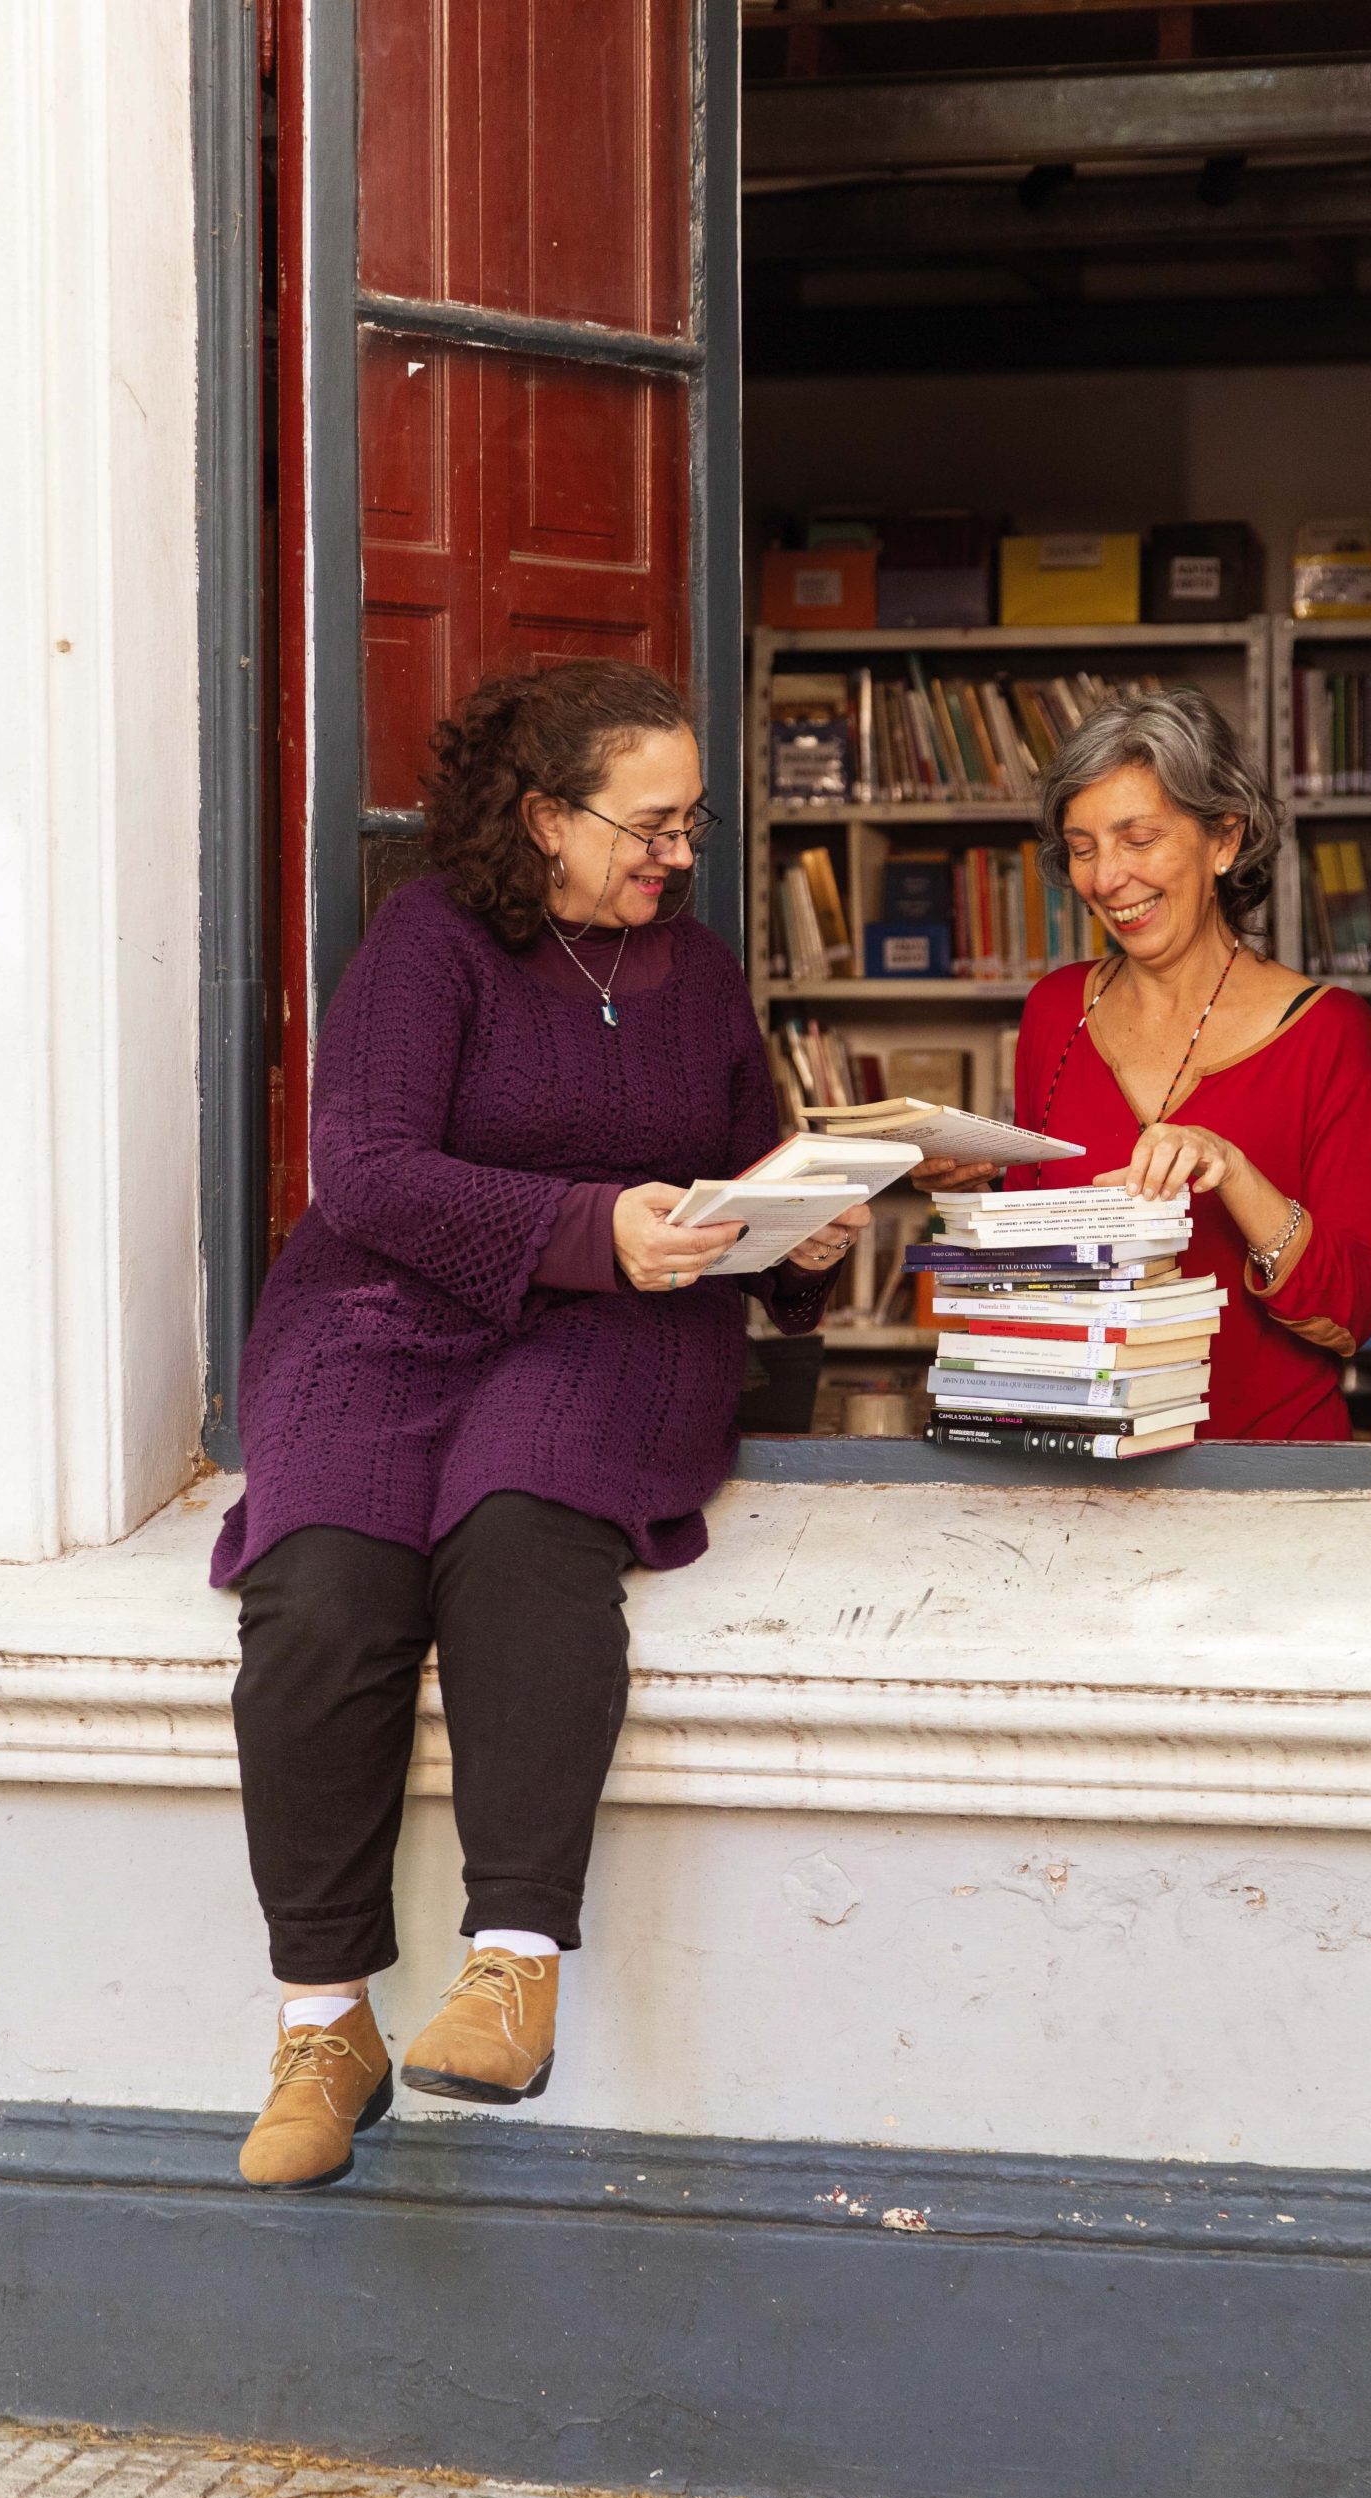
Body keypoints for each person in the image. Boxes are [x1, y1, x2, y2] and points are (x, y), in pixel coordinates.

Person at [213, 660, 867, 2191]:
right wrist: (593, 1222)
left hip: (616, 1325)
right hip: (386, 1311)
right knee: (316, 1586)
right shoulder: (429, 944)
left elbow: (731, 1161)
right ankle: (323, 2023)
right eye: (650, 824)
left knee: (518, 1528)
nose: (680, 853)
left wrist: (798, 1230)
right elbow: (365, 1173)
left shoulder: (697, 970)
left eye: (690, 822)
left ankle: (511, 1968)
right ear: (542, 820)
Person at [916, 689, 1371, 1439]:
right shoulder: (1055, 1010)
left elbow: (1353, 1313)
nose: (1106, 879)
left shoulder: (1329, 1032)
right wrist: (979, 1182)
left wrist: (1232, 1172)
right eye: (1081, 849)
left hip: (1264, 1484)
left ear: (1223, 840)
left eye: (1137, 839)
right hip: (1072, 1463)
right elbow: (1050, 1270)